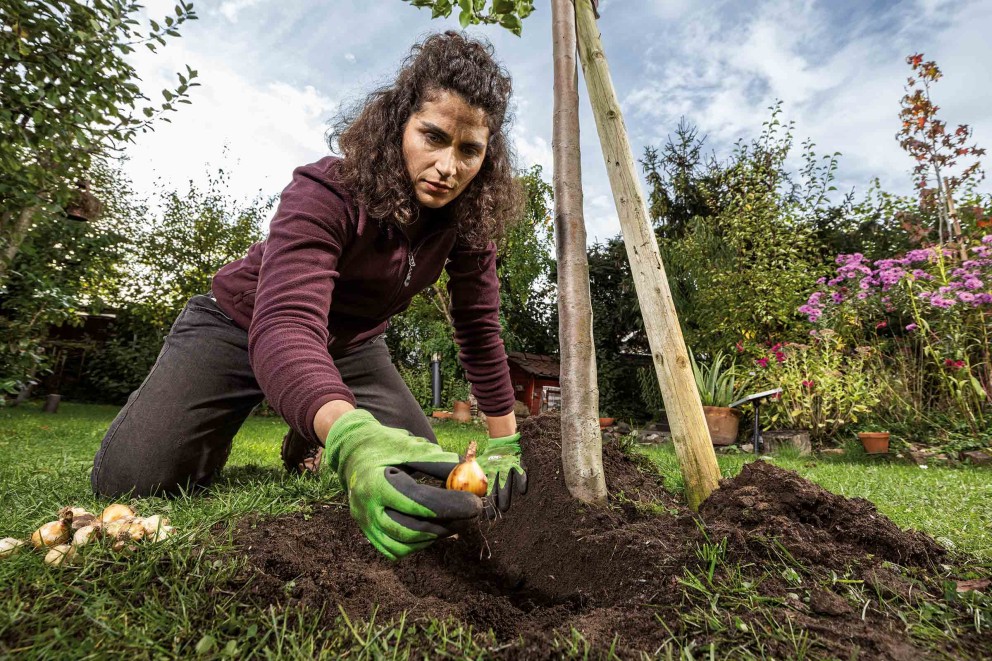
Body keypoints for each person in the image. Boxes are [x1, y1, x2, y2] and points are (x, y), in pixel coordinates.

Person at [90, 31, 527, 561]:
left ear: (487, 156)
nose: (448, 167)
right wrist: (352, 437)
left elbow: (479, 330)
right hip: (242, 325)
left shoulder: (469, 224)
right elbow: (287, 326)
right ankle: (246, 412)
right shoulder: (326, 190)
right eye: (433, 137)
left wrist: (503, 443)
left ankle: (310, 433)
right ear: (398, 127)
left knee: (422, 475)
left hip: (353, 349)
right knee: (135, 480)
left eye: (469, 150)